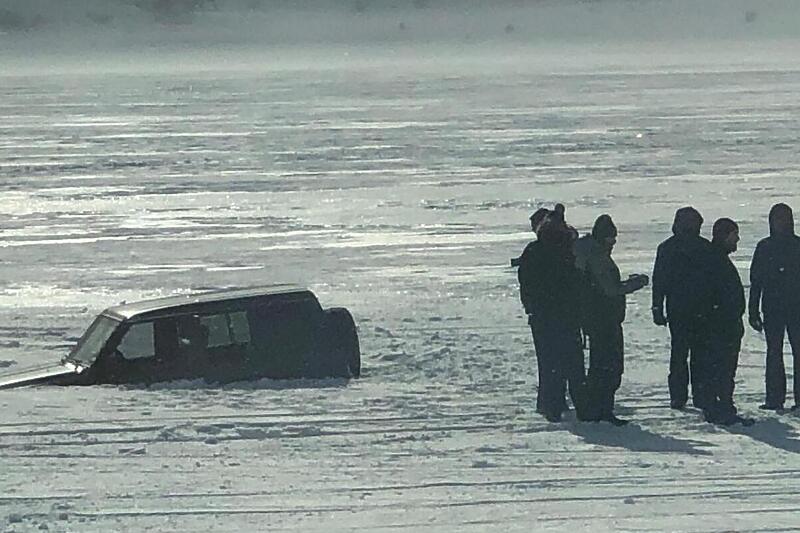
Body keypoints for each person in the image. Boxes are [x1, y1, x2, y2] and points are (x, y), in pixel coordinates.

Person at [574, 215, 649, 425]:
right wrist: (636, 284)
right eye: (611, 238)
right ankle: (601, 409)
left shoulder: (588, 253)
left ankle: (596, 408)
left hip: (596, 318)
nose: (613, 242)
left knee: (601, 365)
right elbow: (611, 290)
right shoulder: (597, 257)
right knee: (608, 367)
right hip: (603, 319)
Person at [518, 212, 586, 422]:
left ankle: (551, 403)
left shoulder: (534, 250)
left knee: (548, 362)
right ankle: (578, 403)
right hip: (565, 314)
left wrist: (531, 307)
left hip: (542, 315)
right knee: (572, 361)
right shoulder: (567, 251)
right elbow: (577, 281)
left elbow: (525, 283)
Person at [651, 207, 716, 410]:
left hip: (694, 309)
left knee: (690, 355)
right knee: (687, 355)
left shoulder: (701, 248)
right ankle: (686, 396)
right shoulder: (672, 248)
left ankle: (688, 396)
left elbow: (659, 280)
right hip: (685, 309)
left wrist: (657, 306)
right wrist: (657, 306)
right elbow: (659, 280)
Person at [701, 218, 753, 425]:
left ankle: (721, 406)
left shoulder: (715, 258)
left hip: (723, 325)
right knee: (721, 368)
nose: (737, 239)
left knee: (721, 368)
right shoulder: (715, 261)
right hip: (721, 327)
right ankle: (720, 409)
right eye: (734, 235)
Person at [749, 203, 800, 411]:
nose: (781, 223)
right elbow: (756, 281)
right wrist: (753, 310)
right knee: (774, 353)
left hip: (797, 309)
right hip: (773, 308)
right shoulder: (764, 247)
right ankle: (774, 399)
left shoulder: (798, 245)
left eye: (784, 218)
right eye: (777, 219)